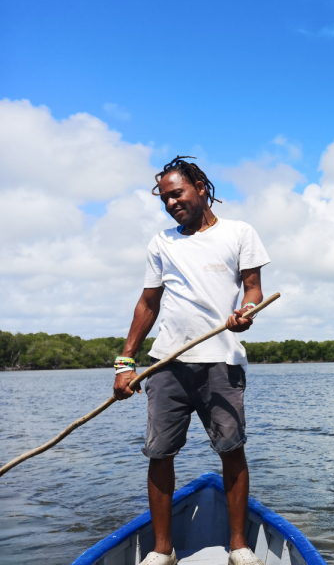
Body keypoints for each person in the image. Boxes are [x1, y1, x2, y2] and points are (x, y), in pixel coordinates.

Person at [113, 156, 270, 565]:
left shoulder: (239, 232)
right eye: (165, 198)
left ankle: (238, 546)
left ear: (200, 186)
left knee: (231, 450)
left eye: (177, 193)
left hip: (222, 361)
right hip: (167, 363)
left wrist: (246, 313)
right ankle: (163, 552)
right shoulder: (162, 242)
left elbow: (252, 290)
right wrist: (124, 362)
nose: (171, 203)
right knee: (159, 454)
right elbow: (148, 303)